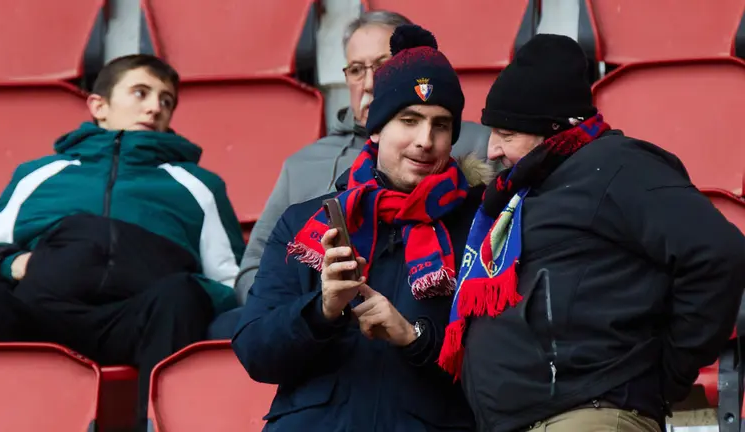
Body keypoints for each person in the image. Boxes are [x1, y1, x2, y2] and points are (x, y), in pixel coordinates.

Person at [436, 34, 745, 432]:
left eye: (507, 134)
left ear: (552, 129)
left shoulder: (617, 166)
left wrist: (670, 372)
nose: (492, 149)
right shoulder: (531, 187)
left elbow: (718, 252)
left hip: (586, 416)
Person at [232, 25, 483, 430]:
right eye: (409, 120)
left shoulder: (478, 225)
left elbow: (503, 367)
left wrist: (415, 337)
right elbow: (255, 351)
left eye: (440, 125)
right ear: (378, 127)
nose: (425, 140)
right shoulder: (306, 221)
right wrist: (323, 310)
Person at [0, 54, 245, 427]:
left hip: (138, 319)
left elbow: (231, 282)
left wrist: (172, 277)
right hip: (43, 312)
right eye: (141, 92)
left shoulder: (198, 186)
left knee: (180, 296)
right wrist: (13, 264)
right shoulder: (38, 174)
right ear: (98, 106)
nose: (154, 107)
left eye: (166, 101)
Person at [225, 10, 496, 317]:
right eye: (356, 69)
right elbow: (253, 272)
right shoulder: (301, 165)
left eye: (382, 66)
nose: (368, 83)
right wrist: (313, 313)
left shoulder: (473, 145)